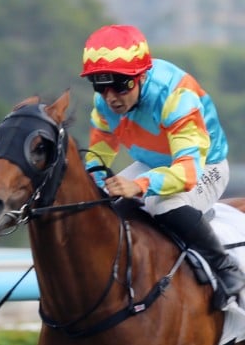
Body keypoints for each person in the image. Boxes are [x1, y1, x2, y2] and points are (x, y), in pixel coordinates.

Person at [81, 23, 245, 305]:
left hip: (204, 167)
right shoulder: (104, 102)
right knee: (108, 208)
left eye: (120, 85)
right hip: (151, 163)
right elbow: (97, 158)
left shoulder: (175, 96)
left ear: (141, 77)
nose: (110, 97)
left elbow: (188, 172)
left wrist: (138, 186)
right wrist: (94, 191)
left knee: (160, 204)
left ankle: (226, 269)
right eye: (101, 85)